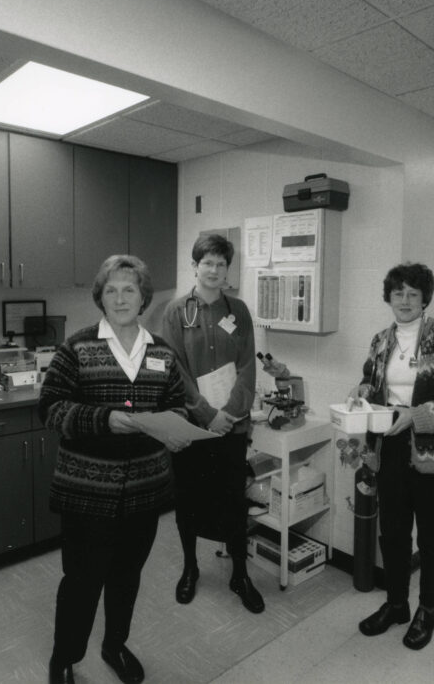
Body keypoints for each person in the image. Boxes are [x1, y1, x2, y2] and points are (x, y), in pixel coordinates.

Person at [39, 255, 190, 684]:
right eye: (111, 290)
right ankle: (65, 658)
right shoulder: (78, 348)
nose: (121, 298)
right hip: (87, 493)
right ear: (100, 298)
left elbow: (176, 404)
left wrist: (175, 429)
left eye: (129, 289)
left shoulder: (161, 352)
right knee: (82, 582)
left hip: (145, 491)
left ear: (144, 297)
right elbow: (49, 408)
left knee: (126, 577)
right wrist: (105, 419)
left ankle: (115, 644)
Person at [353, 262, 434, 650]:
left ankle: (428, 608)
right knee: (391, 532)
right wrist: (359, 392)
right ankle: (396, 604)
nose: (405, 301)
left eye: (413, 294)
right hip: (389, 447)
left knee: (430, 535)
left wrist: (417, 417)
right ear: (388, 297)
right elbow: (371, 380)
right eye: (398, 294)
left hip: (433, 451)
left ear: (425, 298)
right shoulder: (380, 340)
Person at [160, 233, 264, 614]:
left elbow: (248, 365)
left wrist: (231, 414)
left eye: (221, 264)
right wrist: (207, 415)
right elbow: (175, 370)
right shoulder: (175, 312)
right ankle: (190, 569)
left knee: (235, 503)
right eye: (208, 263)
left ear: (227, 271)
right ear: (195, 266)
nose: (215, 270)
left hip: (232, 428)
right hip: (193, 429)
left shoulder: (238, 310)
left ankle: (240, 574)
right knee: (187, 501)